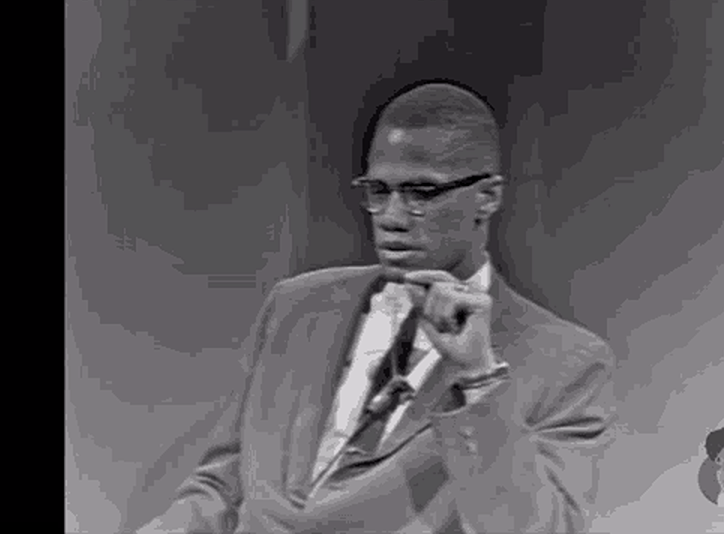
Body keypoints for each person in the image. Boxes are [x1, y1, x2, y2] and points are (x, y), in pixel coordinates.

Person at [137, 81, 618, 534]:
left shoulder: (566, 364)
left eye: (421, 194)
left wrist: (478, 380)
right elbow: (219, 486)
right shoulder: (295, 308)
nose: (391, 217)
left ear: (487, 197)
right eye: (378, 192)